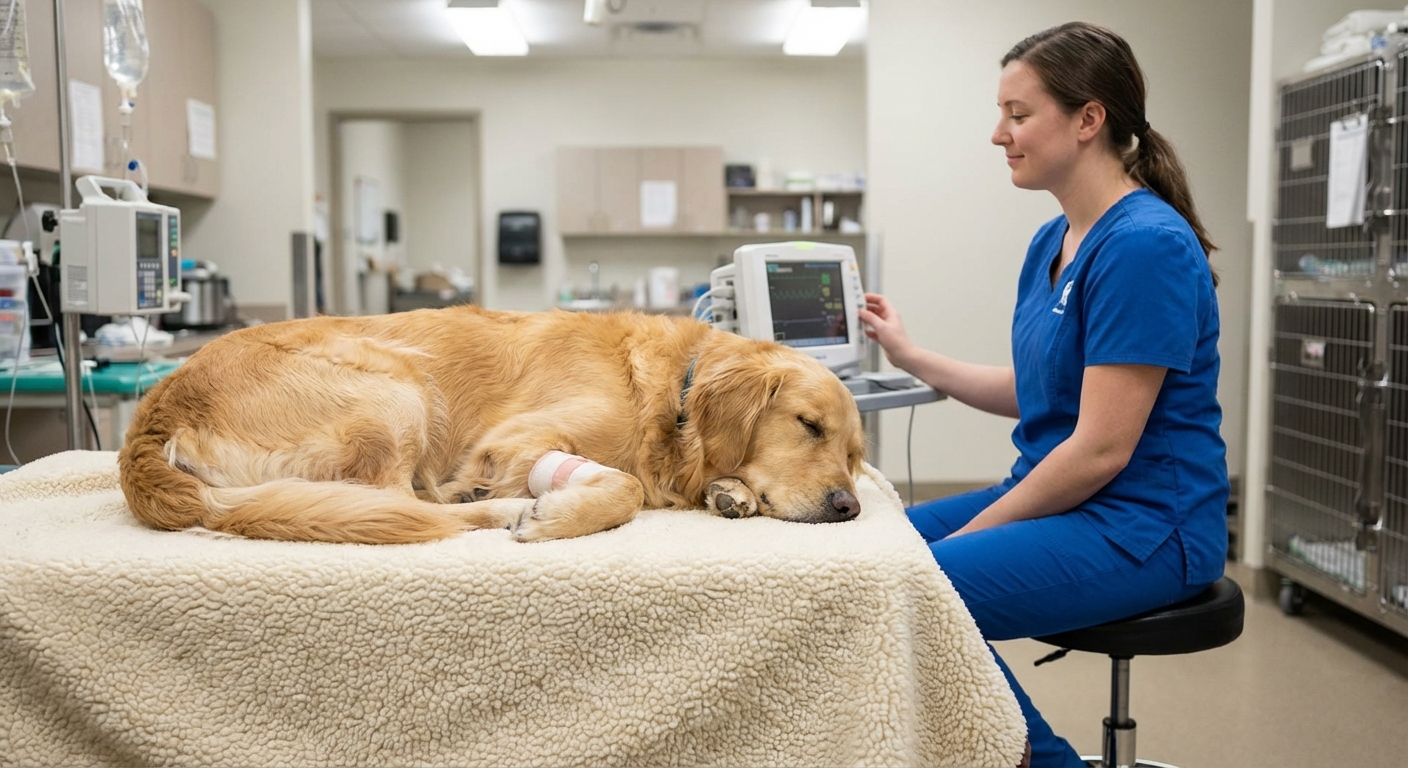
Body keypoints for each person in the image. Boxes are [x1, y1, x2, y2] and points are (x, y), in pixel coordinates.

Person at [857, 22, 1228, 768]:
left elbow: (1098, 448)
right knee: (871, 549)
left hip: (1148, 525)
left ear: (1089, 119)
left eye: (1018, 114)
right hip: (1073, 498)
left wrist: (966, 542)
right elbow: (1039, 393)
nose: (1000, 134)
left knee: (911, 590)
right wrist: (910, 353)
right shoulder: (1055, 240)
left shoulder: (1142, 246)